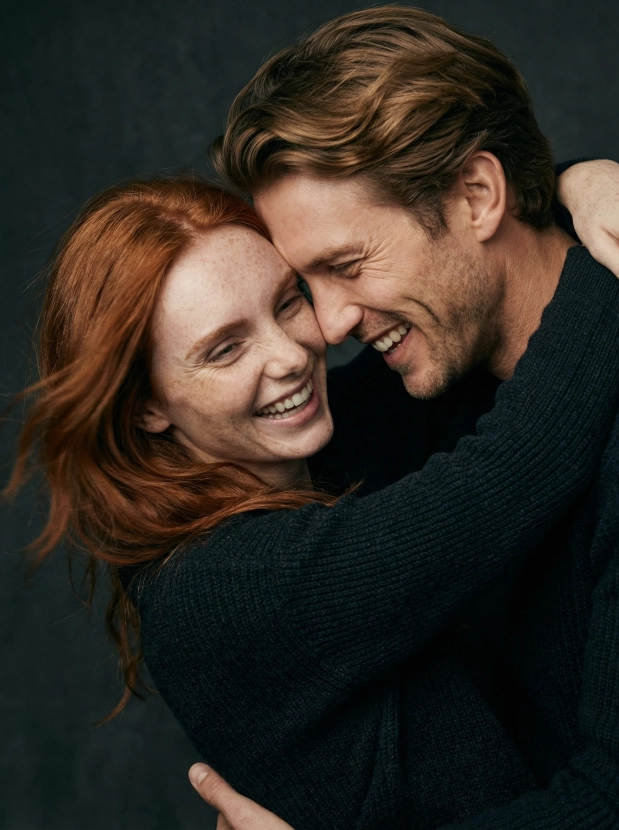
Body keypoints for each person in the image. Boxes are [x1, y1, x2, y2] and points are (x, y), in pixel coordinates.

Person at [10, 161, 619, 830]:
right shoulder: (221, 585)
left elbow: (466, 277)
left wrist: (576, 184)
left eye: (287, 301)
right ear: (145, 407)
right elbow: (515, 467)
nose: (292, 355)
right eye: (224, 349)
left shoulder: (319, 442)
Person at [177, 5, 619, 828]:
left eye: (347, 265)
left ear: (477, 195)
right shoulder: (403, 399)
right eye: (307, 285)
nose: (329, 326)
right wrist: (577, 181)